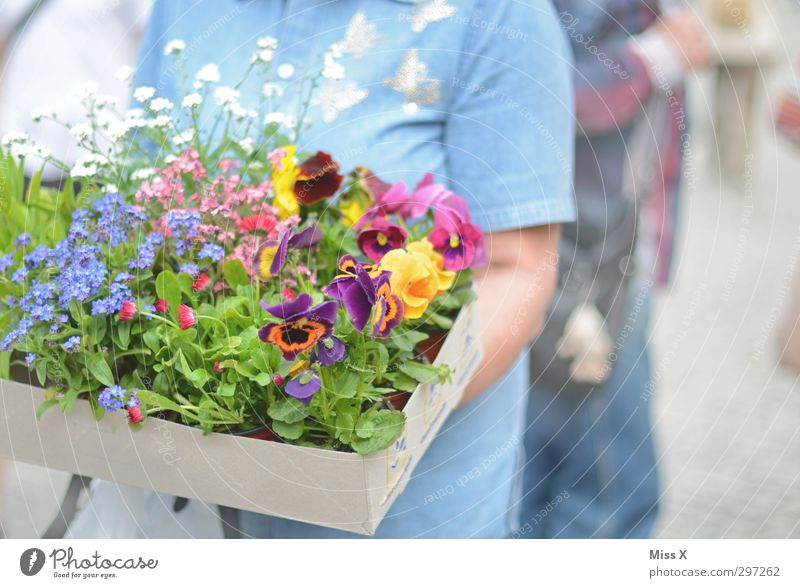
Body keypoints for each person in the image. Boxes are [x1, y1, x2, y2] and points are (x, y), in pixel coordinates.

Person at [68, 0, 576, 538]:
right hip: (190, 495)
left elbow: (515, 270)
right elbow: (142, 203)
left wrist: (341, 414)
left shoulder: (497, 14)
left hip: (402, 509)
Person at [520, 0, 708, 538]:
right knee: (608, 487)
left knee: (554, 461)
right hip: (584, 253)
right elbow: (549, 90)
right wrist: (657, 55)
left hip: (605, 246)